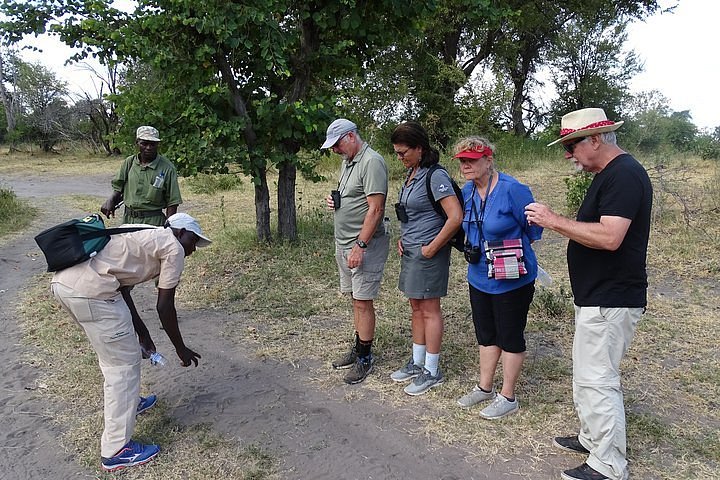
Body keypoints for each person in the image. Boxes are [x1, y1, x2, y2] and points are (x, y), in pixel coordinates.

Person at [525, 108, 652, 480]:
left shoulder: (625, 175)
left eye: (572, 145)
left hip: (612, 297)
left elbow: (611, 237)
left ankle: (608, 464)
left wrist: (553, 221)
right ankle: (592, 437)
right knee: (586, 373)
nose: (569, 154)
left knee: (598, 378)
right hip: (598, 294)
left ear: (595, 139)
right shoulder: (609, 174)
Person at [50, 212, 211, 472]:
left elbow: (123, 288)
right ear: (180, 232)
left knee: (112, 355)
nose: (194, 248)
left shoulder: (142, 232)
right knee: (122, 368)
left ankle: (131, 403)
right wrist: (182, 350)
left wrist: (143, 333)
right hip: (94, 293)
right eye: (193, 240)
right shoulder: (173, 247)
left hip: (66, 286)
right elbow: (165, 306)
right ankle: (116, 451)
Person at [453, 136, 542, 419]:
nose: (466, 165)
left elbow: (534, 231)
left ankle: (508, 396)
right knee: (486, 332)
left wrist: (508, 248)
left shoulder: (513, 190)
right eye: (462, 161)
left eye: (472, 160)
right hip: (478, 273)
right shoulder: (466, 192)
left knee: (510, 334)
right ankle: (485, 387)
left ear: (488, 161)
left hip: (512, 276)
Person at [388, 122, 462, 396]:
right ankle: (417, 362)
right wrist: (403, 238)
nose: (400, 158)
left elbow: (455, 217)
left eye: (403, 152)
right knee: (416, 307)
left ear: (419, 148)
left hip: (428, 254)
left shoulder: (435, 176)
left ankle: (432, 369)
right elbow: (411, 214)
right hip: (411, 252)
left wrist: (432, 248)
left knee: (430, 309)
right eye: (396, 153)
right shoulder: (412, 174)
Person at [321, 118, 390, 385]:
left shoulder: (372, 161)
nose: (335, 150)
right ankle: (359, 346)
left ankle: (365, 357)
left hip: (363, 244)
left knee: (363, 301)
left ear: (350, 136)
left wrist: (360, 246)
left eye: (337, 144)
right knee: (355, 299)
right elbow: (353, 197)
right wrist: (335, 200)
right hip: (344, 241)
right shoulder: (347, 161)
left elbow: (376, 209)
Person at [101, 126, 183, 227]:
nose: (148, 147)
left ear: (157, 145)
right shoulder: (129, 162)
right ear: (137, 143)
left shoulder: (167, 168)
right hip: (128, 221)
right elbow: (118, 187)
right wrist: (111, 200)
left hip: (153, 223)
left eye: (152, 144)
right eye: (144, 143)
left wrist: (169, 227)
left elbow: (172, 202)